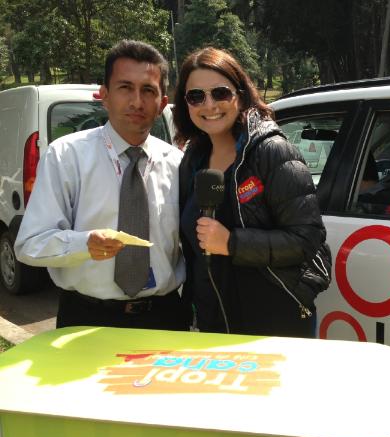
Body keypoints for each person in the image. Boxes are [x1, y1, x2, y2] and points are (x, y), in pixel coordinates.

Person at [15, 40, 190, 331]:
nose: (137, 102)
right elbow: (29, 244)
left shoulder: (178, 163)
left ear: (162, 104)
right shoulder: (66, 156)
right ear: (105, 96)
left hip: (165, 317)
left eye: (148, 90)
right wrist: (84, 244)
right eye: (125, 88)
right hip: (87, 317)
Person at [173, 47, 331, 338]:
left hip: (273, 321)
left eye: (220, 93)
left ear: (241, 94)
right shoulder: (192, 159)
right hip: (213, 322)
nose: (209, 105)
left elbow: (306, 239)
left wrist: (231, 242)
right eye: (196, 96)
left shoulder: (272, 151)